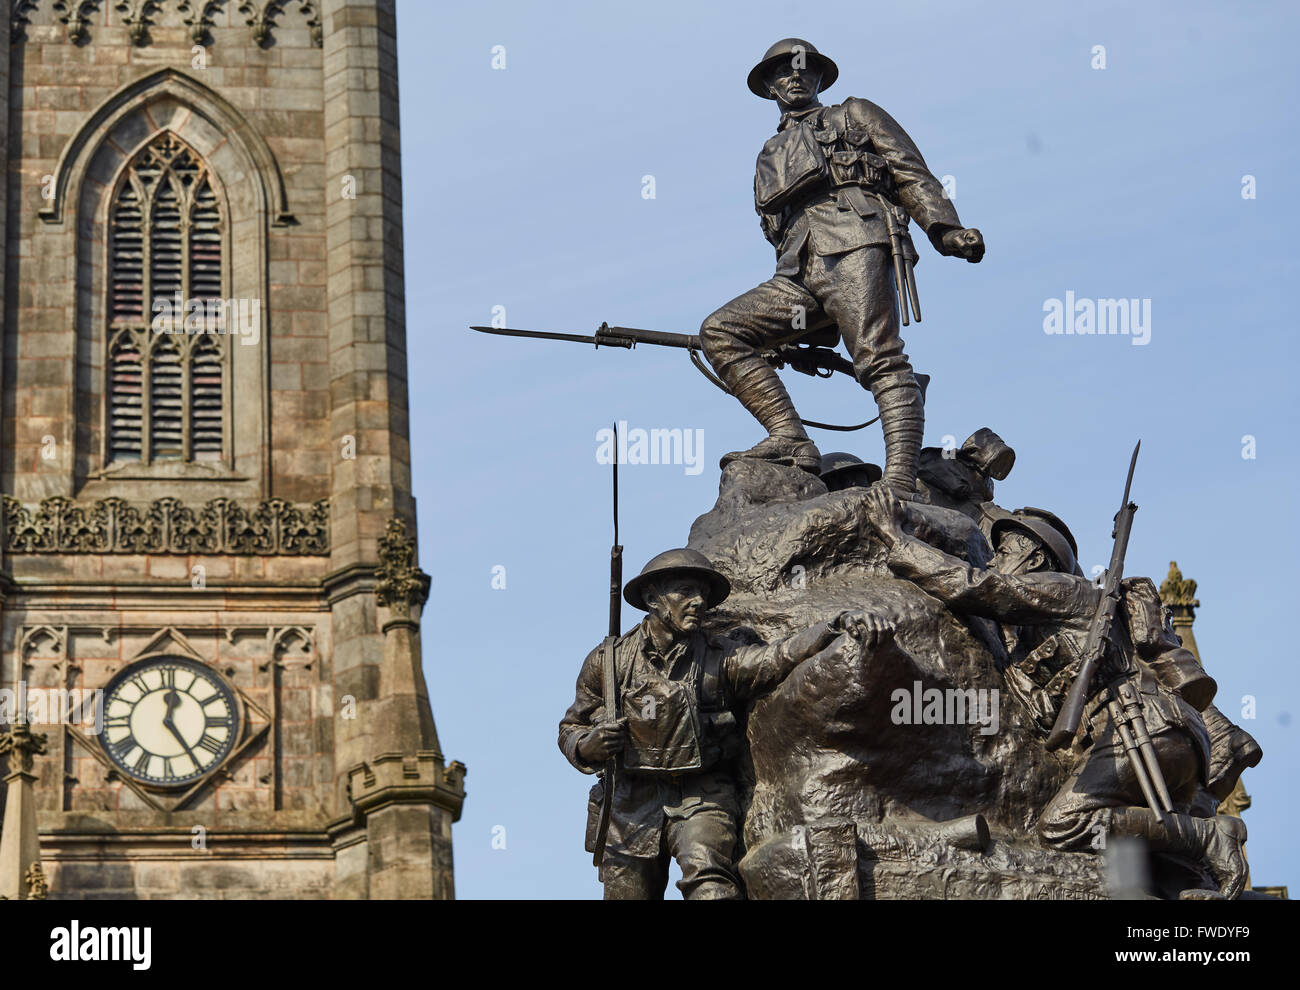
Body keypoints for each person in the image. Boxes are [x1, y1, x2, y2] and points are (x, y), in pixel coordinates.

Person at [863, 488, 1248, 898]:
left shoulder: (1066, 590)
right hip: (1167, 738)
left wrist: (897, 539)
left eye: (1006, 551)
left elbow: (979, 586)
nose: (997, 561)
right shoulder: (1042, 631)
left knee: (1064, 824)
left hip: (1141, 730)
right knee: (1152, 846)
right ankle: (1199, 875)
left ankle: (1207, 838)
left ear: (1035, 557)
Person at [701, 38, 984, 492]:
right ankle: (790, 437)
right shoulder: (768, 154)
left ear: (817, 79)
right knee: (720, 331)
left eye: (804, 70)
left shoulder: (855, 114)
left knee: (880, 358)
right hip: (798, 267)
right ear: (770, 86)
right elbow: (773, 224)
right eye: (784, 72)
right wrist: (788, 336)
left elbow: (911, 172)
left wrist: (944, 229)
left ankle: (898, 480)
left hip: (857, 241)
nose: (795, 76)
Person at [558, 547, 894, 898]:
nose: (698, 601)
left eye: (702, 593)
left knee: (712, 889)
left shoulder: (723, 657)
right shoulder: (607, 662)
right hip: (630, 803)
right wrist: (587, 746)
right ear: (652, 598)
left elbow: (777, 656)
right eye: (686, 591)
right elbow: (571, 727)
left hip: (701, 795)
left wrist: (832, 625)